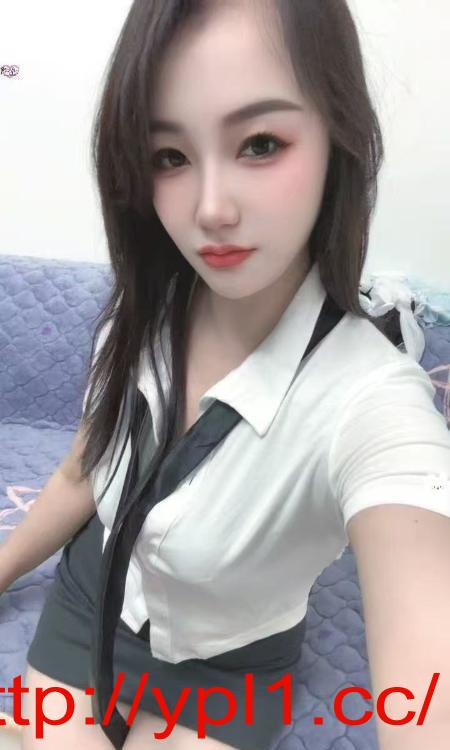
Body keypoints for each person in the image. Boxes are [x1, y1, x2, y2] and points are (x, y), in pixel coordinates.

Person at [0, 0, 449, 748]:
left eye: (261, 143)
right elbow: (87, 467)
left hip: (226, 668)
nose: (210, 210)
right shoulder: (138, 313)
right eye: (169, 157)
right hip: (89, 607)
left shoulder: (373, 402)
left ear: (337, 136)